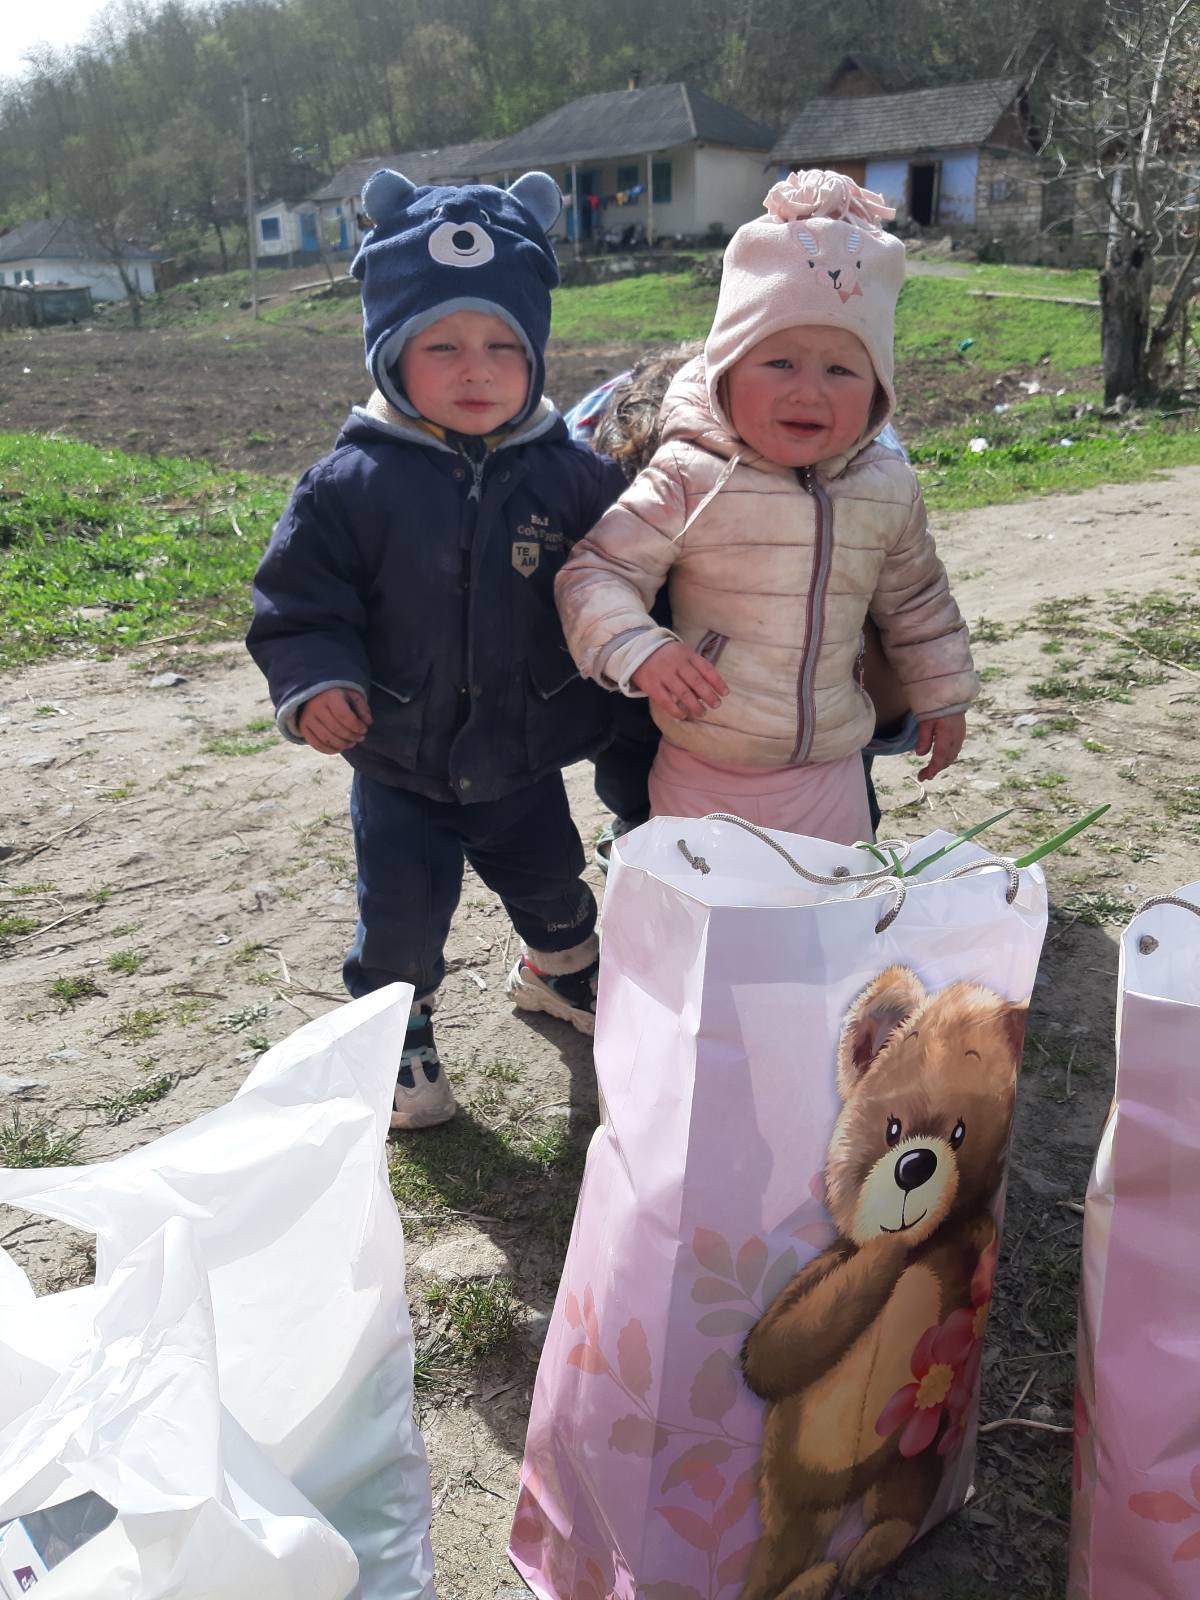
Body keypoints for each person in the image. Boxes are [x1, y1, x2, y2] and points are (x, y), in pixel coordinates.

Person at [247, 167, 625, 1130]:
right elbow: (300, 604)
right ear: (389, 353)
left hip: (523, 753)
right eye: (442, 345)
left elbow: (633, 573)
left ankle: (558, 972)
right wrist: (316, 680)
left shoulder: (575, 478)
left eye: (503, 345)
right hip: (398, 764)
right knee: (401, 920)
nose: (476, 370)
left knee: (555, 884)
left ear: (535, 353)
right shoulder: (346, 485)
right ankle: (396, 1035)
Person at [556, 169, 978, 842]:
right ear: (725, 371)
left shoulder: (886, 486)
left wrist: (944, 696)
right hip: (703, 760)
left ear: (878, 391)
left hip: (830, 768)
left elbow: (919, 603)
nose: (809, 392)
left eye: (841, 370)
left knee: (833, 900)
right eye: (779, 363)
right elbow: (594, 573)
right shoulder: (688, 475)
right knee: (704, 902)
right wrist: (641, 649)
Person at [564, 346, 920, 861]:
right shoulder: (595, 476)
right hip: (653, 705)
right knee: (622, 664)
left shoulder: (865, 469)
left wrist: (900, 706)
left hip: (825, 734)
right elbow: (587, 600)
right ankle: (639, 817)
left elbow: (907, 624)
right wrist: (637, 652)